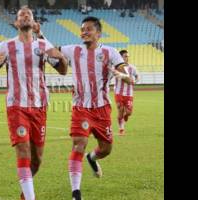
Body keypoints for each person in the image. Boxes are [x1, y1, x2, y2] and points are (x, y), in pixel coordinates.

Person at [37, 16, 131, 200]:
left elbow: (123, 69)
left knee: (106, 149)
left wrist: (122, 74)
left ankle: (92, 158)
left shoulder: (110, 52)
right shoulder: (74, 50)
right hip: (81, 108)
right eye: (82, 29)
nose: (84, 32)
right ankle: (76, 193)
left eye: (89, 29)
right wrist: (39, 33)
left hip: (102, 109)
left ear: (98, 33)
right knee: (79, 144)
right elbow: (51, 50)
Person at [0, 6, 68, 200]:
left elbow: (63, 70)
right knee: (23, 150)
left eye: (28, 15)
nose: (24, 17)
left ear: (33, 23)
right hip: (16, 106)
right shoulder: (5, 46)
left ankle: (24, 196)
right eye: (21, 16)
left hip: (39, 106)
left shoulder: (43, 46)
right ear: (16, 23)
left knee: (37, 160)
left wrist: (61, 57)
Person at [114, 50, 139, 136]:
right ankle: (121, 129)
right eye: (125, 56)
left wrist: (134, 81)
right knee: (120, 109)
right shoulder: (116, 67)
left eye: (127, 56)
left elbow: (137, 76)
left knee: (128, 112)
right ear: (120, 57)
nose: (127, 58)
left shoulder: (132, 68)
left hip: (129, 94)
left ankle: (125, 117)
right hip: (118, 92)